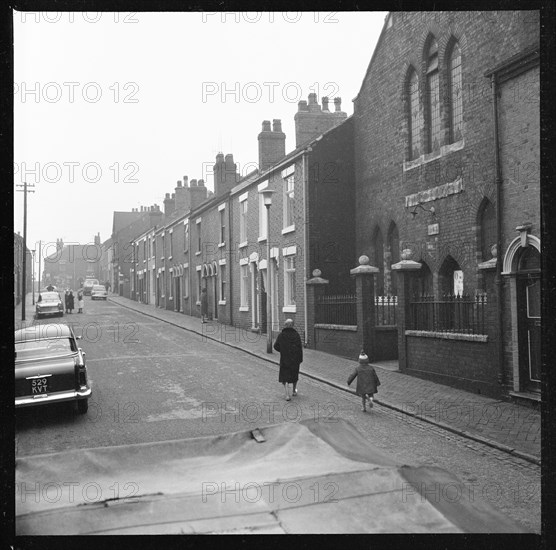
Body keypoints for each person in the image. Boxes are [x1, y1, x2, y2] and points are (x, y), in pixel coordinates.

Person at [273, 319, 303, 401]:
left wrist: (282, 350)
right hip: (295, 360)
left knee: (285, 377)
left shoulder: (281, 335)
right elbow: (300, 348)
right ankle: (294, 391)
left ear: (285, 325)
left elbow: (275, 346)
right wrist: (300, 359)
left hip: (285, 359)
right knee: (294, 375)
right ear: (292, 325)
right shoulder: (296, 335)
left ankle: (287, 395)